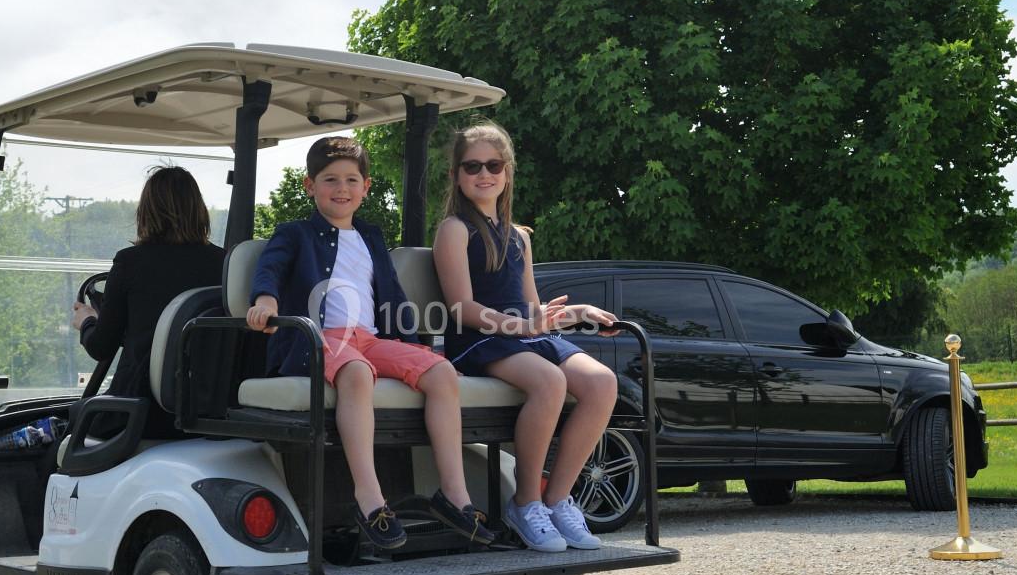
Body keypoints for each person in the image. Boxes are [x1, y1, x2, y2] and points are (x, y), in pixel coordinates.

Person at [245, 136, 495, 550]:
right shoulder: (295, 234)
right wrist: (265, 301)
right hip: (317, 338)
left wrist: (412, 348)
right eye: (330, 180)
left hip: (371, 339)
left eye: (351, 180)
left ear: (366, 187)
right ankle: (370, 500)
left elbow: (392, 295)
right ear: (310, 186)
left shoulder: (371, 237)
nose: (341, 188)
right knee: (358, 373)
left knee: (441, 371)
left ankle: (454, 495)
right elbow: (269, 270)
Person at [432, 120, 619, 552]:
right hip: (480, 338)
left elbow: (534, 308)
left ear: (508, 171)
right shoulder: (454, 229)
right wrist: (522, 326)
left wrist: (574, 314)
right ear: (457, 175)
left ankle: (557, 501)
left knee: (602, 383)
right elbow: (462, 307)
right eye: (473, 166)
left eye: (494, 165)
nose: (484, 173)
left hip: (523, 334)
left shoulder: (519, 236)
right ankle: (526, 501)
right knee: (550, 381)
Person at [70, 165, 224, 440]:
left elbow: (101, 347)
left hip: (140, 414)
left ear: (147, 211)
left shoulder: (130, 262)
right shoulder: (224, 263)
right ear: (198, 209)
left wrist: (88, 321)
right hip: (207, 411)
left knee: (72, 418)